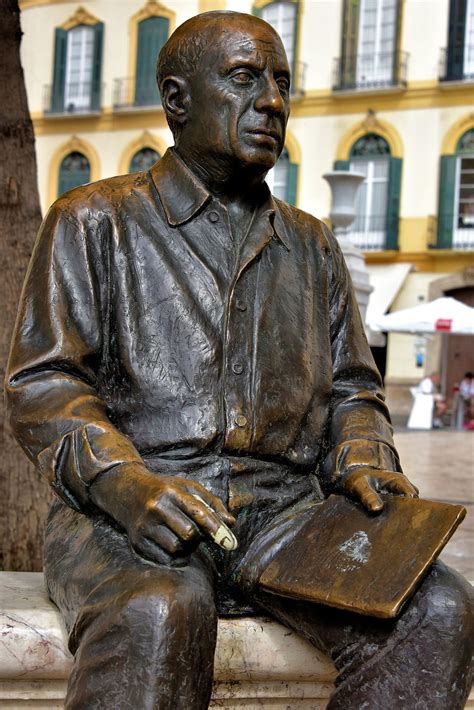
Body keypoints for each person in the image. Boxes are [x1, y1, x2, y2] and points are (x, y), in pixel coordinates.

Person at [6, 12, 473, 710]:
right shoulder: (92, 221)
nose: (274, 102)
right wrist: (126, 484)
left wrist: (365, 460)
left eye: (282, 83)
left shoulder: (312, 246)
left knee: (437, 609)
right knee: (160, 609)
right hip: (132, 510)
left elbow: (354, 389)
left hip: (287, 518)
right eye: (245, 79)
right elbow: (45, 384)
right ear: (177, 100)